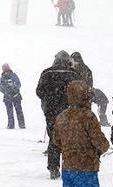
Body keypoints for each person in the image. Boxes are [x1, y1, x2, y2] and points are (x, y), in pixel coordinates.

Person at [36, 51, 78, 179]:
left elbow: (39, 91)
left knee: (54, 138)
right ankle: (70, 166)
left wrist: (48, 100)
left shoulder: (47, 73)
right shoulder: (73, 74)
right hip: (68, 110)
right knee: (69, 138)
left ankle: (53, 167)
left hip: (50, 111)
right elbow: (81, 92)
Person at [0, 63, 25, 129]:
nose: (5, 69)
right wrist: (7, 90)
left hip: (13, 96)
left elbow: (18, 85)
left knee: (15, 111)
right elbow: (1, 88)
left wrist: (12, 87)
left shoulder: (13, 75)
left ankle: (17, 125)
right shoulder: (4, 77)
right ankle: (14, 125)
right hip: (10, 97)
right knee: (14, 112)